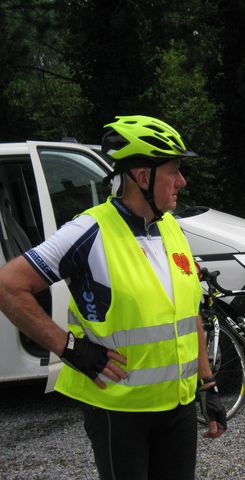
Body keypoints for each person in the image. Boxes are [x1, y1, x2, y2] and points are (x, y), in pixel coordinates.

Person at [0, 115, 226, 480]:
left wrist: (208, 383)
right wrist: (70, 348)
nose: (182, 181)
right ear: (142, 177)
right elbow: (8, 286)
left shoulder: (170, 228)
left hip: (178, 407)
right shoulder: (89, 230)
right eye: (174, 171)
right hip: (118, 410)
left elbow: (187, 312)